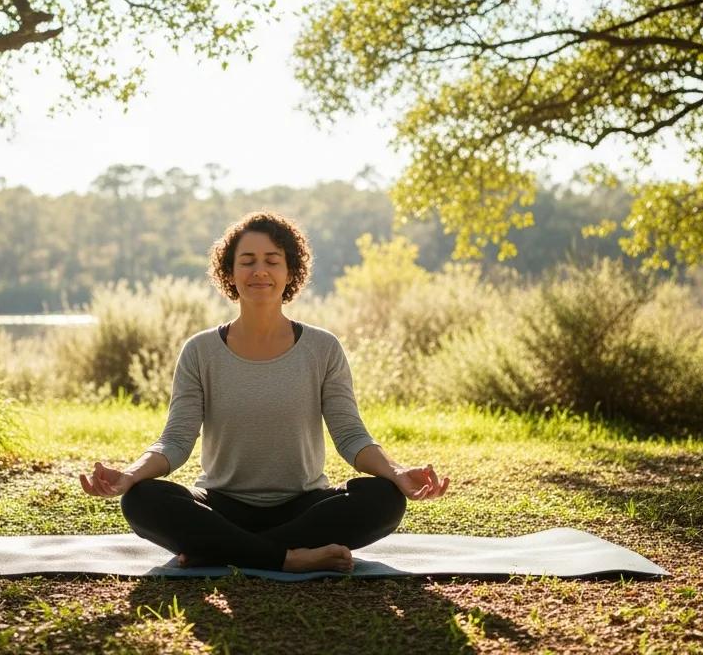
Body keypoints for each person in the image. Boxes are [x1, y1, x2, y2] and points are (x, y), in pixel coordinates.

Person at [80, 210, 449, 573]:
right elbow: (175, 441)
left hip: (303, 506)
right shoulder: (200, 351)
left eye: (272, 260)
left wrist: (397, 473)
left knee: (384, 499)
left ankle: (222, 549)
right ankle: (287, 557)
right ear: (229, 272)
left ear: (290, 272)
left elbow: (351, 436)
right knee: (142, 499)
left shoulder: (322, 348)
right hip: (221, 504)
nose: (260, 271)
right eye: (247, 261)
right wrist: (130, 474)